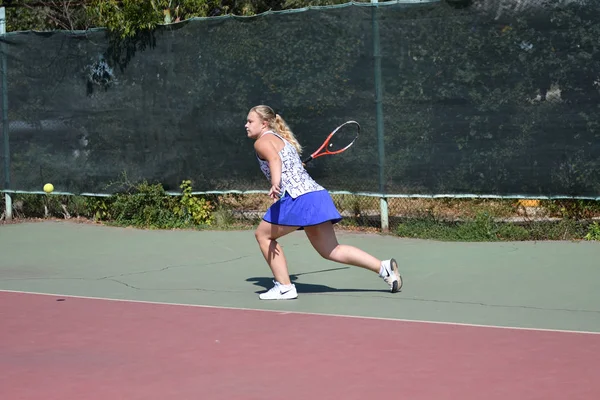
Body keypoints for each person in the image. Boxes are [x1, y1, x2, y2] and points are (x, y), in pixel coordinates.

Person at [245, 105, 402, 300]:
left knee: (263, 236)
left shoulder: (262, 142)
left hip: (298, 198)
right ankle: (383, 268)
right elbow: (285, 163)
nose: (246, 125)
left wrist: (275, 183)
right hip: (316, 195)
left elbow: (275, 160)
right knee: (331, 250)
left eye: (250, 121)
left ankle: (284, 287)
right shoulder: (282, 140)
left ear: (264, 123)